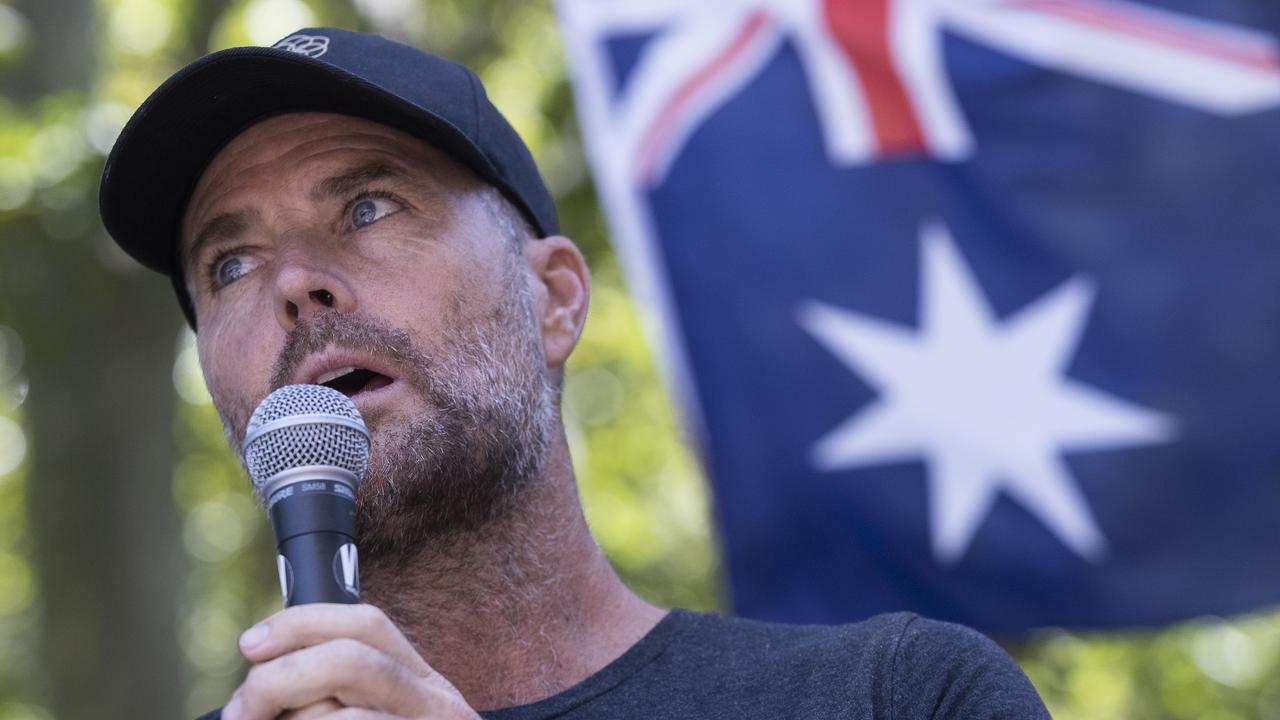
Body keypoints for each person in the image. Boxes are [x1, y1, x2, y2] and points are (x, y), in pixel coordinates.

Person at [99, 27, 1051, 720]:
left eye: (368, 207)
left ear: (553, 297)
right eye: (229, 264)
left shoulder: (897, 697)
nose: (298, 283)